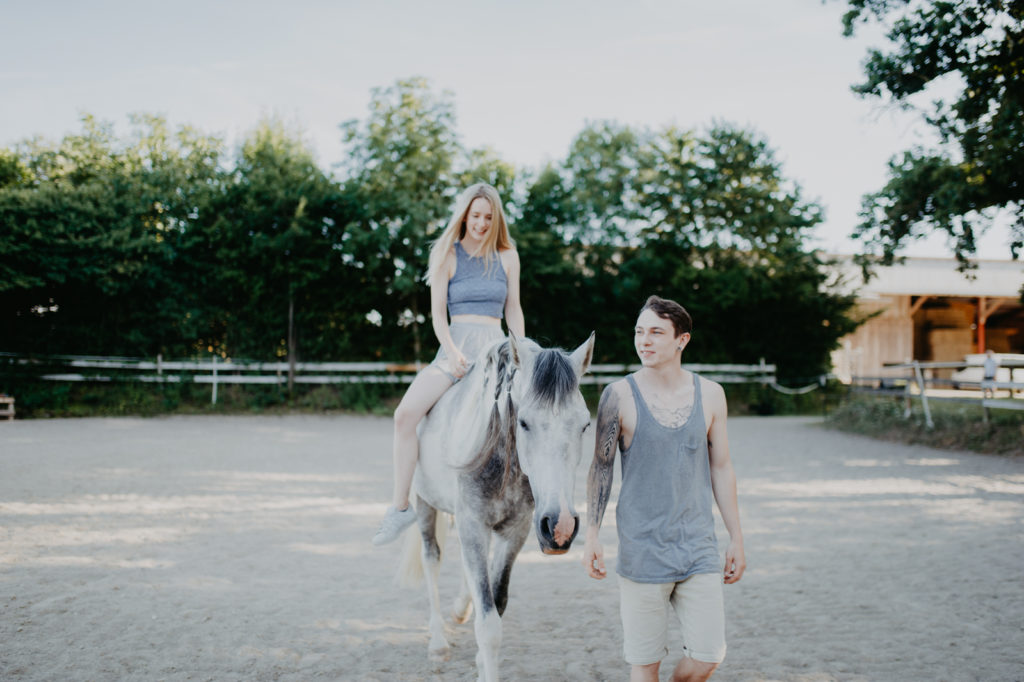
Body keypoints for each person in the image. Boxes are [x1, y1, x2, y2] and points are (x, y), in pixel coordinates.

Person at [581, 295, 745, 682]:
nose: (644, 341)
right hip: (641, 550)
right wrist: (591, 534)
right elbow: (601, 468)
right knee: (644, 664)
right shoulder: (617, 396)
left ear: (682, 340)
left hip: (698, 547)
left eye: (656, 332)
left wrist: (736, 537)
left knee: (708, 656)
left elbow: (721, 467)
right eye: (639, 332)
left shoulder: (712, 394)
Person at [372, 183, 525, 545]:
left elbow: (514, 309)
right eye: (476, 216)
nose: (482, 223)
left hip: (496, 350)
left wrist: (521, 351)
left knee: (533, 417)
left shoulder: (508, 256)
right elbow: (438, 315)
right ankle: (400, 507)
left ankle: (535, 503)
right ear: (464, 216)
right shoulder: (446, 255)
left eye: (489, 217)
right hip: (455, 349)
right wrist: (452, 351)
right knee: (404, 416)